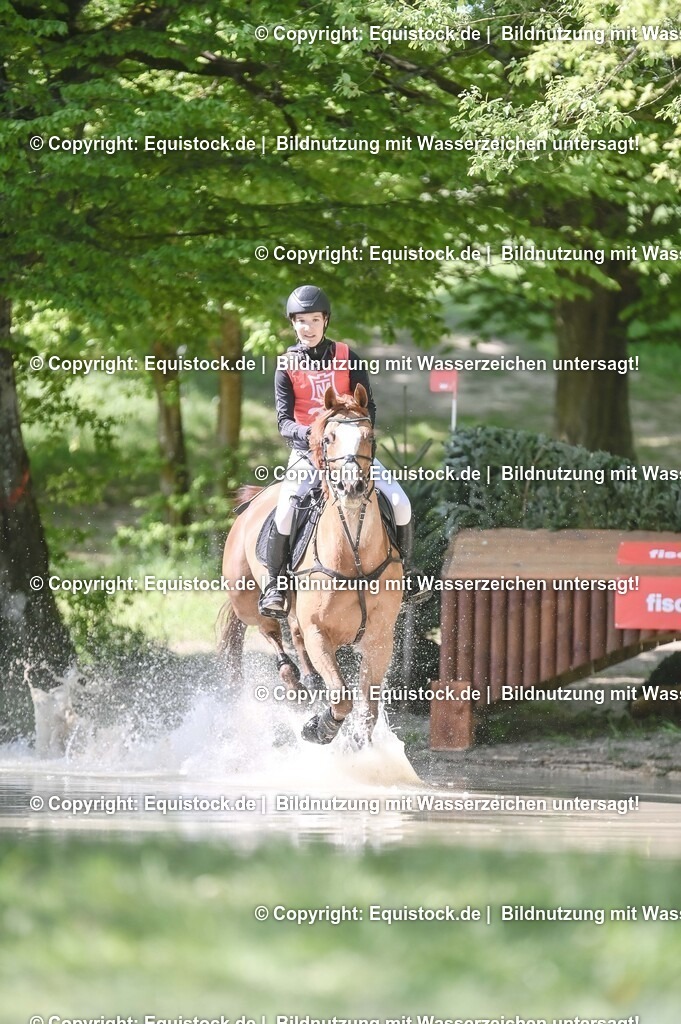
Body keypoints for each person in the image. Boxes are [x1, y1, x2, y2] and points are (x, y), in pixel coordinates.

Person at [258, 284, 415, 618]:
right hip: (308, 453)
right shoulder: (286, 364)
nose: (308, 327)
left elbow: (368, 406)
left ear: (325, 321)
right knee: (286, 509)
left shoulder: (347, 357)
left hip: (350, 454)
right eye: (301, 321)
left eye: (314, 320)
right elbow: (284, 423)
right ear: (293, 324)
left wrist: (353, 436)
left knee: (401, 503)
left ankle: (408, 576)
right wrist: (315, 436)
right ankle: (275, 585)